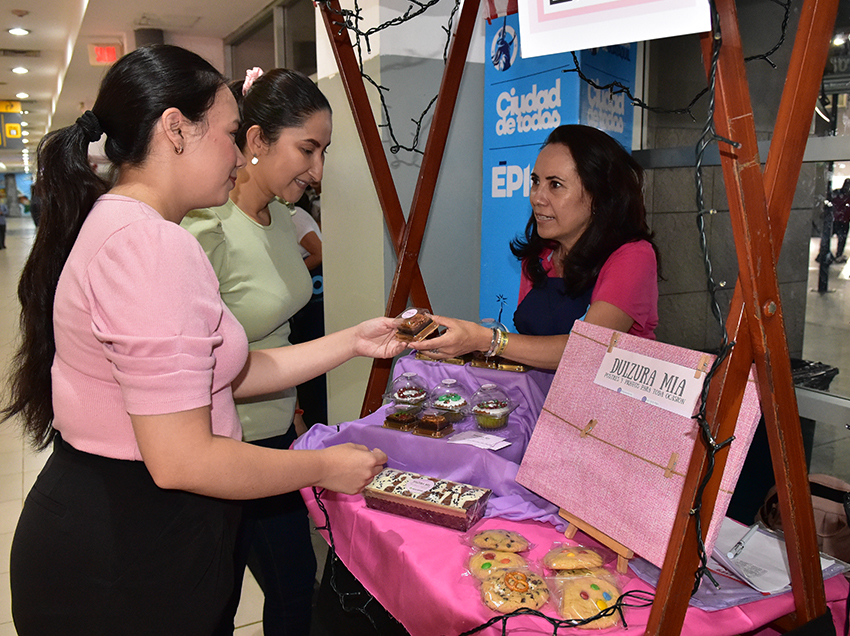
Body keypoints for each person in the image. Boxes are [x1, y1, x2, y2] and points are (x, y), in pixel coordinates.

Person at [3, 44, 404, 636]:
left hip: (124, 531)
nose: (238, 152)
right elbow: (181, 457)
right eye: (231, 132)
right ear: (175, 130)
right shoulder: (154, 246)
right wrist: (322, 467)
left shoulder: (125, 224)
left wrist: (353, 341)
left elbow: (225, 373)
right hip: (127, 552)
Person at [181, 67, 328, 635]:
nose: (317, 171)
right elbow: (197, 363)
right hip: (222, 443)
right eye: (306, 150)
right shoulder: (205, 227)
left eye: (323, 153)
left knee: (293, 590)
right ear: (257, 140)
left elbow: (275, 335)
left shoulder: (287, 220)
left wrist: (290, 411)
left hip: (272, 433)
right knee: (217, 601)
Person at [410, 124, 658, 369]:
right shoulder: (540, 255)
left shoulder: (633, 256)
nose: (537, 197)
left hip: (603, 405)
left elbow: (587, 350)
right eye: (536, 181)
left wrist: (486, 340)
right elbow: (529, 347)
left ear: (600, 195)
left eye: (555, 185)